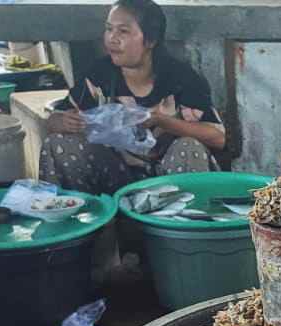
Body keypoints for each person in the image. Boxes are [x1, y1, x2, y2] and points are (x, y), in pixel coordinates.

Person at [40, 0, 225, 195]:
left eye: (123, 31)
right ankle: (88, 219)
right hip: (117, 176)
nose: (112, 38)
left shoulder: (181, 78)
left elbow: (217, 138)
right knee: (57, 143)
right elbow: (53, 121)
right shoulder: (100, 75)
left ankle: (177, 223)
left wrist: (163, 121)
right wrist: (64, 122)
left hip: (170, 181)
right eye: (109, 29)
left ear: (150, 41)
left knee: (188, 146)